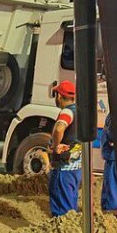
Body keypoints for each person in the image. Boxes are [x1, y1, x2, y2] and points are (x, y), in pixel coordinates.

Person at [48, 80, 82, 217]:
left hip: (63, 169)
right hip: (76, 169)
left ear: (59, 96)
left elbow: (59, 127)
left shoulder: (67, 112)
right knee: (71, 209)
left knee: (62, 214)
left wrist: (56, 146)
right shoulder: (81, 112)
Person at [101, 114, 117, 214]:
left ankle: (111, 214)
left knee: (112, 190)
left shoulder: (116, 113)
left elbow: (112, 135)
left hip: (113, 157)